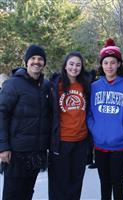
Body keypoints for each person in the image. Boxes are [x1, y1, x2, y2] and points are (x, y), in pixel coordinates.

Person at [0, 44, 51, 199]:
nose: (36, 62)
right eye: (33, 58)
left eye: (40, 59)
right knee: (12, 194)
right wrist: (3, 147)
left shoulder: (46, 86)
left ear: (44, 63)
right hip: (16, 152)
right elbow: (1, 114)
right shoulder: (13, 84)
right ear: (26, 61)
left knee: (28, 192)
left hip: (36, 152)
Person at [87, 38, 123, 200]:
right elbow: (89, 114)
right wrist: (95, 130)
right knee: (104, 181)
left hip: (119, 145)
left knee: (118, 181)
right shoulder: (94, 87)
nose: (109, 66)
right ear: (102, 65)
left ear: (119, 64)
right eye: (106, 62)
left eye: (113, 62)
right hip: (100, 144)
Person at [48, 51, 91, 200]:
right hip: (61, 141)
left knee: (76, 182)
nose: (74, 67)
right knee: (59, 184)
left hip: (81, 141)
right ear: (65, 66)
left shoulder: (86, 84)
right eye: (71, 64)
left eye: (78, 65)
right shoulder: (55, 85)